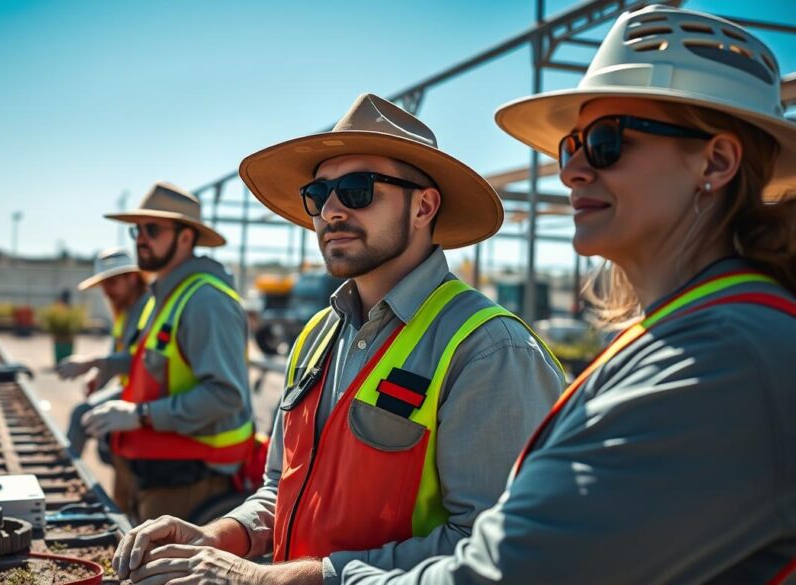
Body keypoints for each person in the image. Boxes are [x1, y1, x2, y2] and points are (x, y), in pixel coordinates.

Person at [333, 5, 796, 583]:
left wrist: (316, 577)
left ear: (717, 160)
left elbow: (509, 574)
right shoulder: (693, 336)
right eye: (569, 146)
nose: (572, 170)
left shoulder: (725, 361)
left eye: (605, 142)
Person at [115, 94, 565, 584]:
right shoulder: (317, 336)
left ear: (424, 206)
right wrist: (221, 535)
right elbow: (280, 488)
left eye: (357, 189)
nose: (329, 209)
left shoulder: (489, 350)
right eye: (318, 193)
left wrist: (283, 578)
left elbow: (500, 554)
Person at [81, 181, 254, 523]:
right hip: (154, 468)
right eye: (137, 230)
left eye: (153, 229)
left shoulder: (206, 301)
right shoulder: (167, 295)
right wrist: (106, 365)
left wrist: (141, 414)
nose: (141, 238)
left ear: (186, 237)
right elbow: (154, 367)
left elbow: (224, 396)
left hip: (190, 478)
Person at [57, 247, 152, 457]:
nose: (106, 291)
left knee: (82, 415)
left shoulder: (149, 308)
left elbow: (140, 361)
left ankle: (67, 470)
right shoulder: (125, 310)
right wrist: (100, 376)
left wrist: (92, 361)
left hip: (147, 393)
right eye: (103, 284)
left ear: (133, 279)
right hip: (131, 387)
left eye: (112, 282)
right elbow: (116, 354)